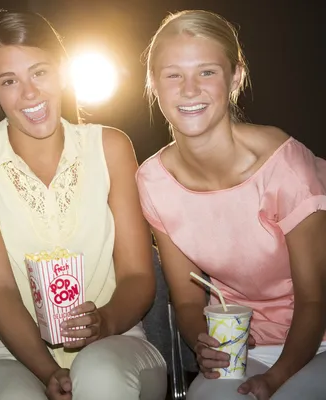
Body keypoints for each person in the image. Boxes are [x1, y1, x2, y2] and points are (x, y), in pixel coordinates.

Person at [0, 10, 167, 400]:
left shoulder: (111, 146)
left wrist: (106, 321)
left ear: (62, 72)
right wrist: (48, 371)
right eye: (9, 81)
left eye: (40, 72)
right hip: (5, 352)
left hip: (116, 339)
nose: (29, 93)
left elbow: (137, 276)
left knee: (100, 376)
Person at [137, 9, 326, 400]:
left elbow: (314, 297)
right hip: (247, 346)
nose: (189, 90)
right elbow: (188, 297)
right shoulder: (153, 181)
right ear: (154, 83)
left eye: (206, 72)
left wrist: (274, 382)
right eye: (173, 75)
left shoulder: (283, 166)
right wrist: (202, 342)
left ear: (235, 76)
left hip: (318, 339)